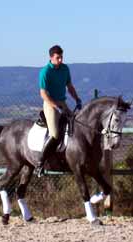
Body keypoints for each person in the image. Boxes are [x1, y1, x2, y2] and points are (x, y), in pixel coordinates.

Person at [37, 45, 82, 177]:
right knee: (55, 134)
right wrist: (54, 106)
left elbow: (70, 86)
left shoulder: (65, 69)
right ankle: (40, 163)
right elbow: (43, 94)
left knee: (75, 125)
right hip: (50, 104)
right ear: (51, 57)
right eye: (58, 57)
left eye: (61, 57)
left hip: (62, 102)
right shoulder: (45, 72)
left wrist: (77, 99)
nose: (60, 60)